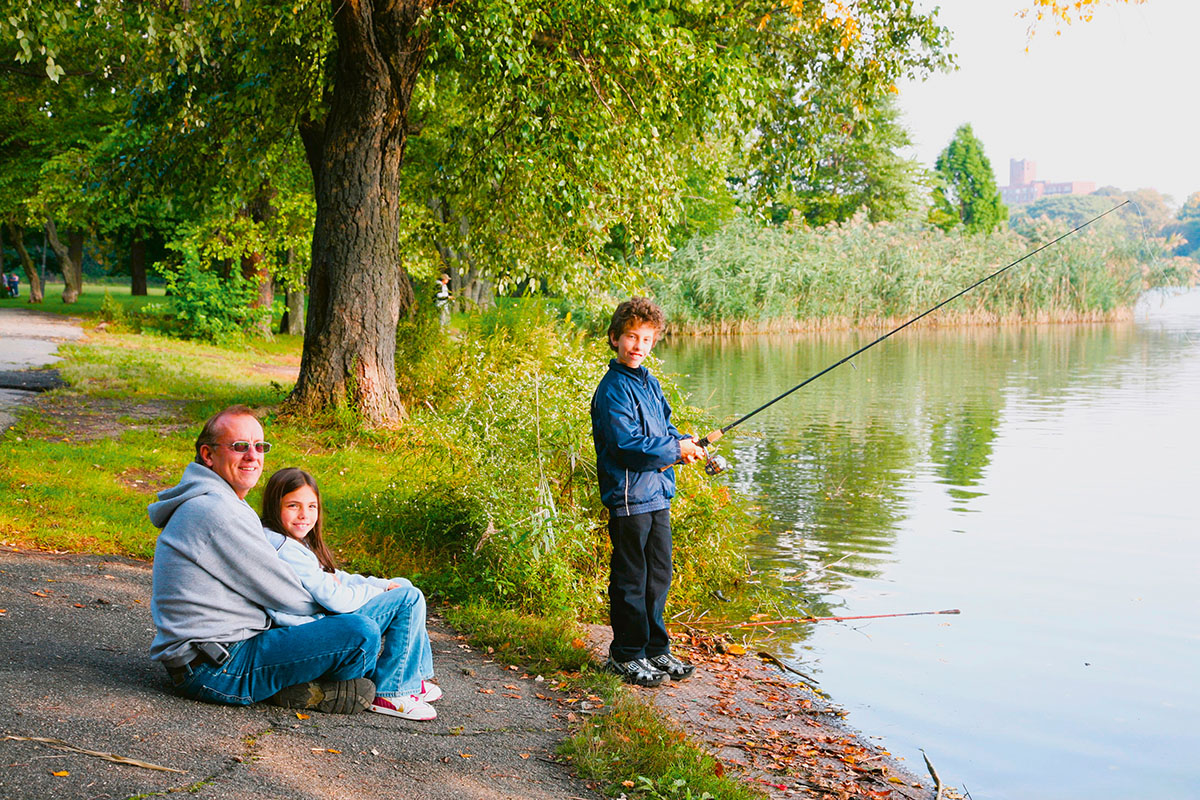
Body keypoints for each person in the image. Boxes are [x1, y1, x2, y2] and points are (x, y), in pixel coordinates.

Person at [148, 405, 381, 714]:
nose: (253, 456)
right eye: (239, 447)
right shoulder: (217, 512)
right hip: (217, 667)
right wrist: (336, 599)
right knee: (360, 632)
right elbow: (288, 596)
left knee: (345, 629)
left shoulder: (217, 501)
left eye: (260, 446)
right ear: (208, 455)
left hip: (217, 652)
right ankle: (318, 688)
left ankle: (299, 686)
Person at [259, 467, 440, 721]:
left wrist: (381, 584)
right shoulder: (285, 548)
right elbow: (335, 597)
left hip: (324, 615)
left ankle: (412, 676)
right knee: (408, 598)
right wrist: (371, 591)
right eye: (293, 506)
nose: (304, 515)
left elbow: (335, 577)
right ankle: (391, 690)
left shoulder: (296, 542)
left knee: (402, 584)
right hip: (317, 627)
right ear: (273, 506)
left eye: (312, 506)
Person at [590, 297, 705, 687]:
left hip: (657, 492)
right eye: (631, 337)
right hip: (627, 497)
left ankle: (656, 649)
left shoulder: (650, 383)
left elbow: (665, 430)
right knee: (631, 577)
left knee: (658, 574)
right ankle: (626, 655)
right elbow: (627, 445)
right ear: (614, 339)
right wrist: (675, 451)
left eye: (646, 339)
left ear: (654, 343)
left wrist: (686, 444)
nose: (638, 345)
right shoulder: (613, 390)